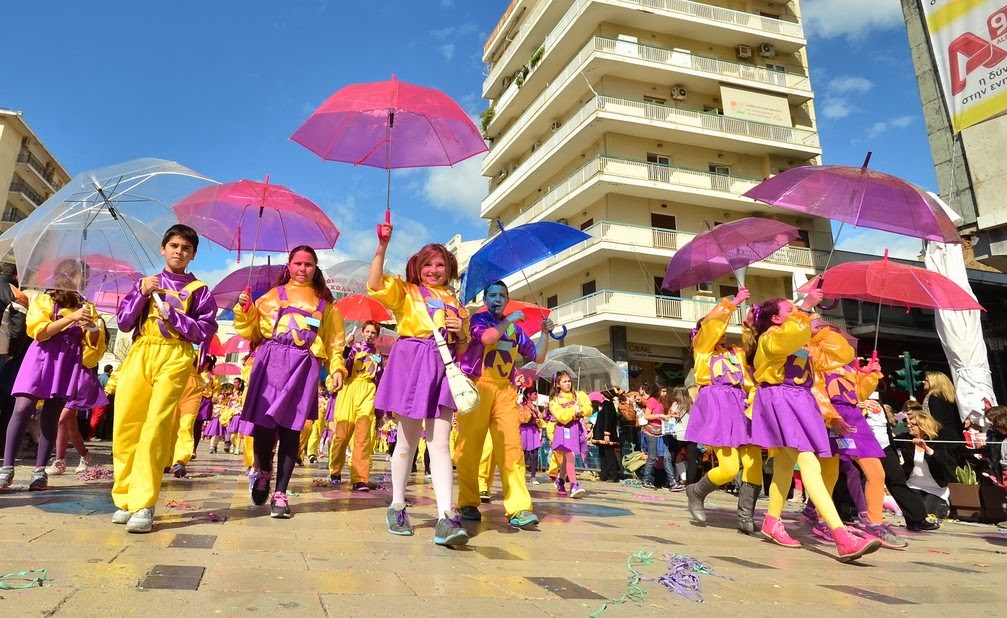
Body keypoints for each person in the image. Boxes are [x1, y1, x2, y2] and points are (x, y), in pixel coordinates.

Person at [746, 291, 881, 562]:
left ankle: (771, 521)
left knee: (785, 464)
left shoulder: (803, 342)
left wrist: (820, 331)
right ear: (775, 319)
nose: (796, 312)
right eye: (789, 310)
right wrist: (805, 307)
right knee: (809, 463)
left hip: (801, 401)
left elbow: (842, 354)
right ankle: (842, 536)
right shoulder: (770, 338)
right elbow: (789, 336)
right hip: (780, 399)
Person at [368, 218, 470, 546]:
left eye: (440, 265)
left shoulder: (457, 304)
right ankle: (397, 505)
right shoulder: (407, 291)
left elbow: (463, 347)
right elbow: (374, 284)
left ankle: (445, 517)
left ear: (449, 268)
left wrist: (460, 331)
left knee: (440, 443)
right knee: (407, 441)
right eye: (428, 264)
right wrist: (382, 246)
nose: (434, 270)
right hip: (411, 361)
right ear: (418, 267)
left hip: (442, 366)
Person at [111, 224, 218, 533]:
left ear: (193, 255)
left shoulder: (199, 290)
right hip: (141, 352)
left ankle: (144, 502)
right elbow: (124, 322)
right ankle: (125, 498)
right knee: (126, 423)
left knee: (157, 425)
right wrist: (141, 294)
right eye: (174, 245)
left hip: (175, 355)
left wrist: (175, 316)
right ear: (163, 248)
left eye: (186, 248)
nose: (179, 252)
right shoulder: (146, 283)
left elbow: (203, 332)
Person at [237, 245, 346, 519]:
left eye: (308, 264)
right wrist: (245, 310)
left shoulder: (326, 304)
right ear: (289, 266)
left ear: (316, 268)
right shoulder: (273, 296)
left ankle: (281, 493)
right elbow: (252, 332)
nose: (302, 269)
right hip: (271, 362)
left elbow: (335, 343)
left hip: (303, 368)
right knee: (264, 427)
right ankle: (263, 472)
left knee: (291, 429)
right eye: (297, 263)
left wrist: (337, 369)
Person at [455, 281, 553, 528]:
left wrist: (545, 333)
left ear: (507, 300)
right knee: (469, 448)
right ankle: (468, 502)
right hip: (477, 388)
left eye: (502, 295)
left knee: (511, 448)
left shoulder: (516, 331)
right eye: (492, 295)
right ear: (485, 300)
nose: (497, 299)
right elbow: (487, 338)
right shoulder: (478, 320)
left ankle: (519, 507)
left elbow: (539, 356)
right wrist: (509, 320)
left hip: (505, 392)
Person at [804, 321, 907, 549]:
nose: (837, 340)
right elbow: (816, 392)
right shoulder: (816, 361)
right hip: (830, 418)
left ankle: (875, 523)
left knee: (876, 472)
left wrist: (871, 376)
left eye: (837, 335)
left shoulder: (849, 367)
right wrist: (832, 417)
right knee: (829, 473)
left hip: (855, 418)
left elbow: (858, 394)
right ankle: (822, 520)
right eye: (829, 335)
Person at [1, 260, 100, 490]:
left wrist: (92, 327)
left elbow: (93, 345)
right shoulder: (46, 300)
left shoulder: (87, 306)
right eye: (82, 275)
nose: (86, 280)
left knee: (51, 415)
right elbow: (40, 332)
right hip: (40, 358)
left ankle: (39, 471)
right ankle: (6, 468)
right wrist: (70, 318)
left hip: (67, 361)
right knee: (22, 407)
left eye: (87, 276)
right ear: (66, 275)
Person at [683, 288, 764, 532]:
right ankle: (697, 492)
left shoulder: (735, 352)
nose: (722, 331)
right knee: (729, 468)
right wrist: (733, 302)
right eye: (718, 327)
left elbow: (754, 353)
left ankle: (745, 516)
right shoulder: (702, 350)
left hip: (741, 406)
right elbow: (711, 327)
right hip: (717, 406)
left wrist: (751, 323)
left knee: (753, 461)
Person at [865, 395, 937, 531]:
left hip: (884, 445)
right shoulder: (856, 397)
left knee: (897, 480)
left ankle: (916, 518)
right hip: (864, 445)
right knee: (857, 477)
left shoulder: (877, 401)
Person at [48, 318, 108, 475]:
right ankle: (85, 455)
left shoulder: (96, 327)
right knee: (71, 427)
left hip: (82, 377)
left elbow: (93, 353)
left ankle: (60, 460)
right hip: (68, 375)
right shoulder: (72, 323)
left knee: (62, 419)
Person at [328, 320, 384, 491]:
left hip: (368, 392)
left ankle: (360, 478)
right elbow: (343, 366)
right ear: (362, 332)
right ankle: (335, 470)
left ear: (377, 336)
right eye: (367, 331)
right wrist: (347, 347)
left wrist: (380, 413)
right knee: (342, 435)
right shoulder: (354, 348)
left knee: (363, 436)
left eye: (373, 333)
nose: (369, 335)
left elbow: (380, 381)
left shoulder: (378, 355)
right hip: (349, 389)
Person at [899, 410, 954, 520]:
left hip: (935, 490)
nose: (909, 426)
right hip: (913, 486)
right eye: (909, 424)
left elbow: (943, 463)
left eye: (913, 424)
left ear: (922, 426)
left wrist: (927, 449)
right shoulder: (906, 439)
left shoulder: (937, 442)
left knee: (927, 514)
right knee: (912, 512)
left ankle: (944, 506)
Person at [548, 370, 591, 498]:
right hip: (564, 430)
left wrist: (581, 410)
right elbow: (562, 417)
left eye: (569, 381)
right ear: (558, 384)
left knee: (567, 458)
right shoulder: (555, 400)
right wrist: (573, 411)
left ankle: (560, 481)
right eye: (564, 382)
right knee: (570, 455)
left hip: (576, 428)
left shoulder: (578, 395)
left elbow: (588, 408)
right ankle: (574, 484)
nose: (568, 384)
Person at [922, 371, 965, 466]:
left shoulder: (934, 397)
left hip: (942, 440)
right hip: (956, 437)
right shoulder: (951, 398)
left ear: (934, 382)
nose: (923, 382)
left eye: (926, 380)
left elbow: (936, 420)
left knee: (947, 467)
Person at [641, 383, 679, 490]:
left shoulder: (661, 402)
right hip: (651, 432)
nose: (665, 393)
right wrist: (660, 416)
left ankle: (672, 482)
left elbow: (664, 416)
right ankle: (646, 481)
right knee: (652, 457)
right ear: (658, 391)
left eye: (665, 391)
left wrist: (670, 416)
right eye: (663, 391)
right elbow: (647, 416)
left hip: (661, 432)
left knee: (667, 457)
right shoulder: (652, 400)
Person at [591, 388, 623, 482]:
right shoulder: (604, 405)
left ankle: (613, 475)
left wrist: (607, 434)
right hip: (600, 434)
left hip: (606, 434)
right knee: (602, 455)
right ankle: (604, 475)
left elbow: (608, 420)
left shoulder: (609, 405)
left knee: (609, 455)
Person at [518, 387, 544, 484]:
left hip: (533, 430)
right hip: (524, 430)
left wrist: (538, 418)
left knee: (534, 453)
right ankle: (520, 475)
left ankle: (533, 476)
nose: (536, 396)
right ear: (528, 395)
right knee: (523, 453)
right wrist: (529, 410)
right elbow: (522, 419)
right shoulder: (521, 406)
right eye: (534, 394)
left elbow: (540, 418)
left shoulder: (535, 407)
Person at [88, 364, 115, 440]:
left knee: (94, 417)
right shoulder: (108, 380)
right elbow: (108, 391)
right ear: (110, 370)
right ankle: (92, 435)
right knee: (97, 418)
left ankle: (92, 434)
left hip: (95, 399)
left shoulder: (99, 377)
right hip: (102, 400)